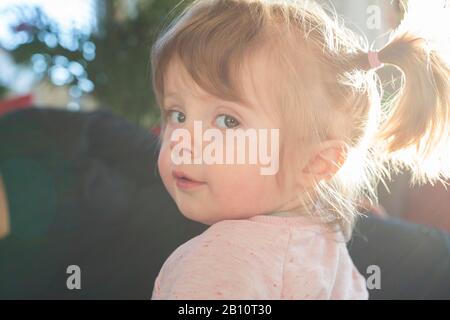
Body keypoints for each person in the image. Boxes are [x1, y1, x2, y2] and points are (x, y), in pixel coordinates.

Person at [150, 0, 450, 299]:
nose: (184, 142)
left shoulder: (216, 264)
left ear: (317, 164)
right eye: (177, 114)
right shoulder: (324, 243)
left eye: (228, 121)